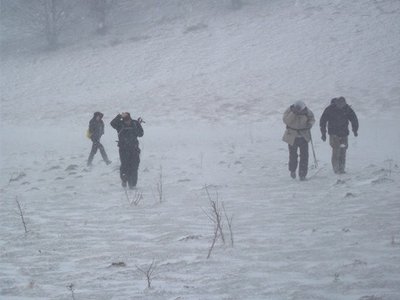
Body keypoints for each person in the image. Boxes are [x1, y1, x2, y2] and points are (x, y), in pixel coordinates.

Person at [320, 96, 359, 174]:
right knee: (336, 151)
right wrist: (323, 133)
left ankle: (342, 169)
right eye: (340, 104)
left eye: (343, 104)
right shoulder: (330, 109)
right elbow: (323, 121)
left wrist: (355, 130)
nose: (341, 106)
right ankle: (336, 169)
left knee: (343, 151)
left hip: (344, 134)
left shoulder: (347, 109)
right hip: (334, 134)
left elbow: (354, 119)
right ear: (336, 103)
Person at [282, 100, 315, 180]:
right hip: (292, 137)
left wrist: (310, 124)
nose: (300, 110)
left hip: (304, 137)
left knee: (304, 156)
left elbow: (312, 118)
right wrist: (294, 113)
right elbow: (286, 121)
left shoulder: (307, 111)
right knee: (293, 155)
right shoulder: (289, 111)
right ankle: (292, 170)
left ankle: (302, 174)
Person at [110, 112, 144, 189]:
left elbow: (141, 134)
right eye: (125, 120)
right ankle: (124, 180)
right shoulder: (120, 124)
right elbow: (112, 123)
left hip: (134, 149)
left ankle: (133, 184)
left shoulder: (135, 123)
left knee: (134, 166)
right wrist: (119, 116)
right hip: (123, 149)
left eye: (128, 120)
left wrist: (136, 128)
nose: (127, 122)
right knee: (125, 166)